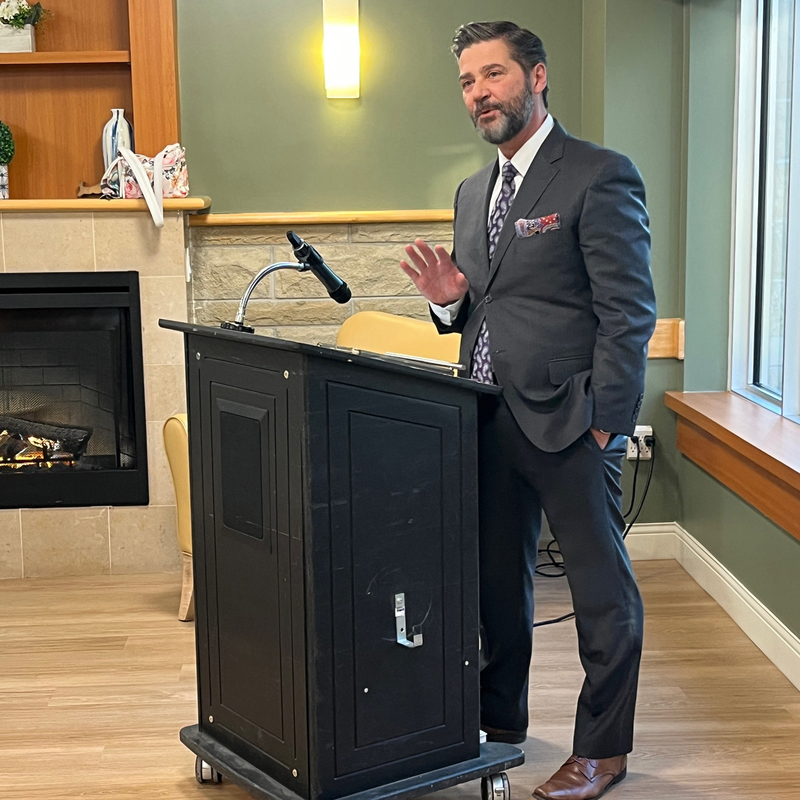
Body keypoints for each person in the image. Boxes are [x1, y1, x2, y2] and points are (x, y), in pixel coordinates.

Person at [399, 21, 657, 800]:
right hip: (486, 418)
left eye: (494, 75)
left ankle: (602, 751)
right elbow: (491, 305)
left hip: (572, 421)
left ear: (536, 78)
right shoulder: (473, 191)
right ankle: (496, 725)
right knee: (495, 587)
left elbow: (629, 311)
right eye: (468, 82)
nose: (480, 93)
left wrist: (607, 421)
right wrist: (452, 304)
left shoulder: (599, 175)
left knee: (599, 593)